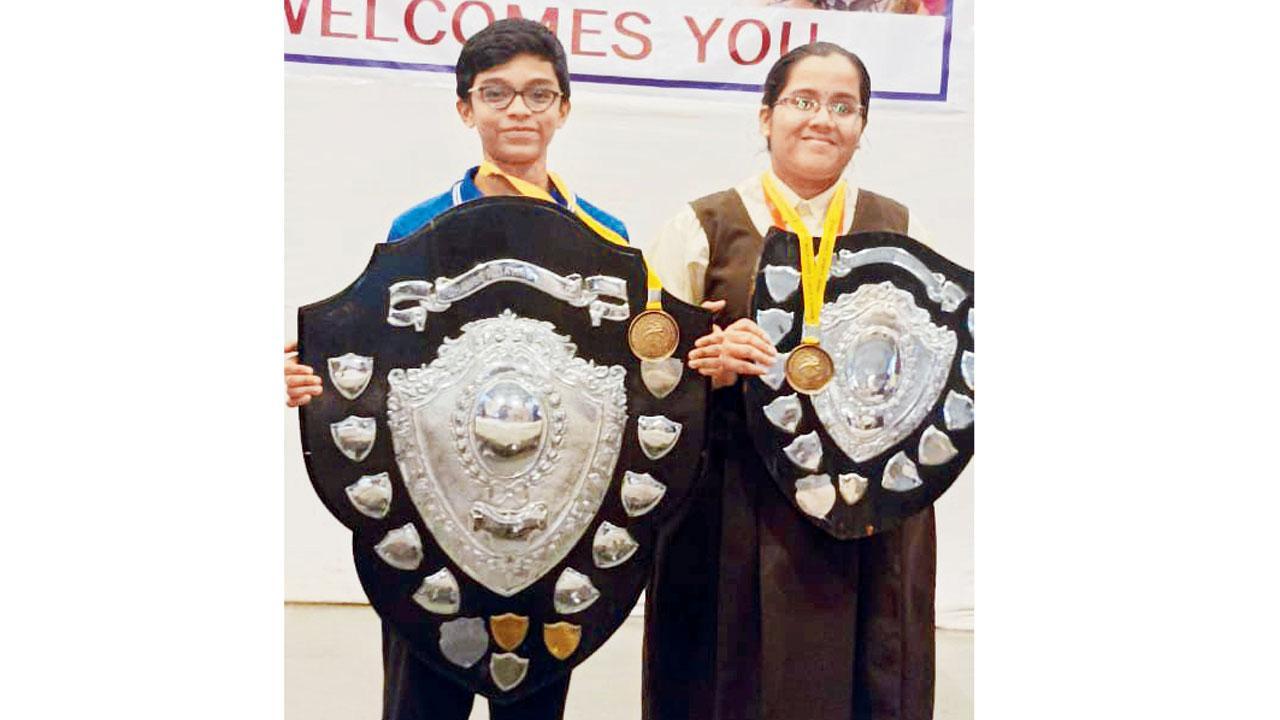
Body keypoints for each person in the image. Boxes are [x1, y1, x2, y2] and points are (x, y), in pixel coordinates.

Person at [284, 18, 629, 720]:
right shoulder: (417, 227)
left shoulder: (607, 237)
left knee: (533, 694)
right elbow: (372, 355)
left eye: (538, 94)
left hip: (553, 513)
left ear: (565, 107)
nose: (518, 111)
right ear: (465, 109)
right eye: (496, 94)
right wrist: (313, 381)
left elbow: (624, 373)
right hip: (433, 504)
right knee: (421, 700)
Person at [642, 42, 936, 720]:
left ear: (862, 127)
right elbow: (642, 376)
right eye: (804, 101)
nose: (822, 120)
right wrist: (705, 364)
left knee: (870, 681)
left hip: (871, 509)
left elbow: (945, 362)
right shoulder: (702, 227)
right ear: (767, 115)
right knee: (726, 678)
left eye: (843, 107)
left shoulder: (900, 228)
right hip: (734, 501)